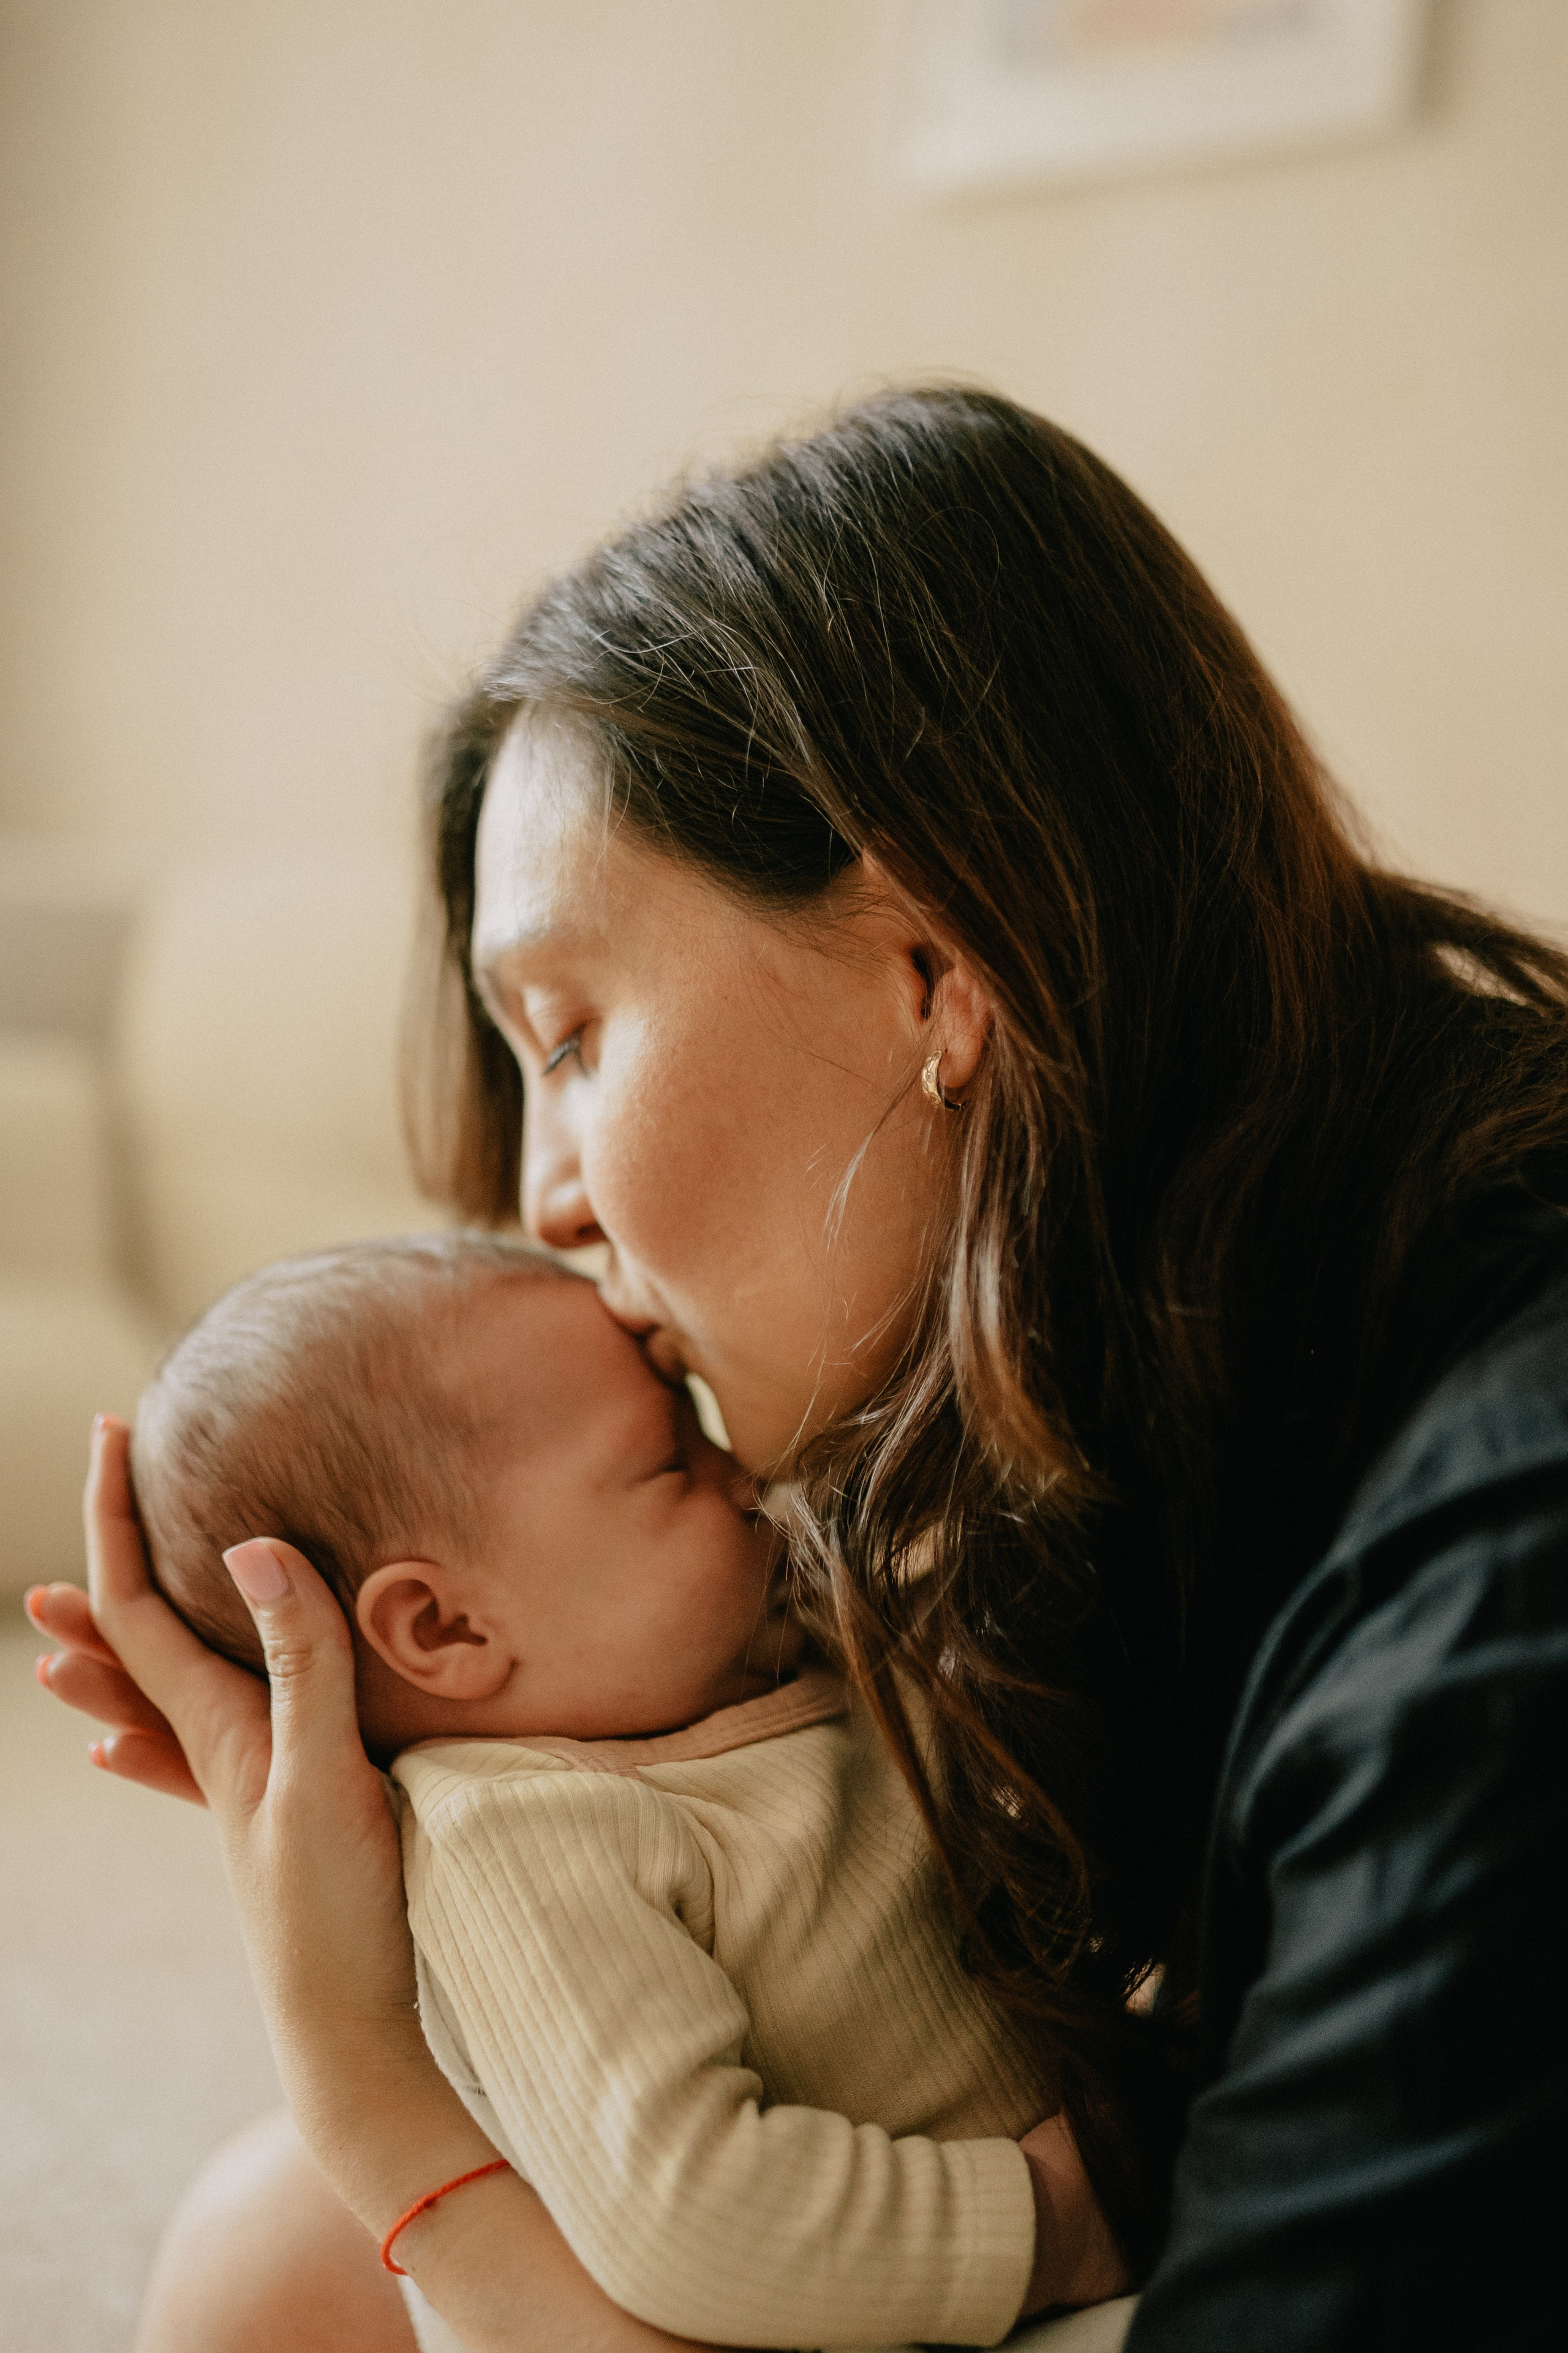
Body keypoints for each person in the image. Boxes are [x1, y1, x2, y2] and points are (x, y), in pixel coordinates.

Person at [29, 384, 1568, 2353]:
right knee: (273, 2250)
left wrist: (380, 2104)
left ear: (933, 963)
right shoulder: (1202, 1351)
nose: (537, 1199)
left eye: (570, 1032)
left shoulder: (1486, 1605)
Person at [131, 1229, 1123, 2347]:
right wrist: (1051, 2227)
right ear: (448, 1626)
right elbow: (691, 2209)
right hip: (945, 2289)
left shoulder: (763, 1650)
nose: (745, 1473)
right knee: (250, 2253)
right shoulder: (517, 1833)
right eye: (670, 1459)